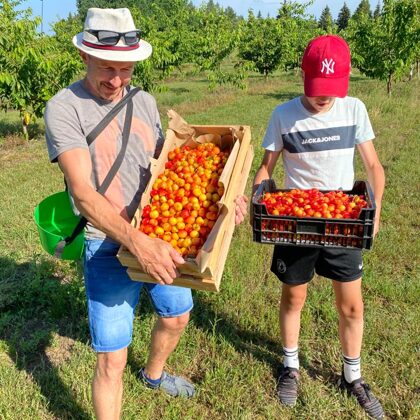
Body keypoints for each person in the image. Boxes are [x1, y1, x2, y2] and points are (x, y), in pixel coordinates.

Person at [44, 7, 247, 420]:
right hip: (107, 242)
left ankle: (153, 374)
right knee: (111, 360)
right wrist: (136, 241)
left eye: (125, 70)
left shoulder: (145, 102)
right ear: (83, 56)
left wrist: (224, 200)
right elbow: (82, 193)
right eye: (106, 68)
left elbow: (167, 169)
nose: (116, 81)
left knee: (177, 315)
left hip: (160, 234)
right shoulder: (64, 109)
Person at [253, 35, 385, 419]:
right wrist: (261, 191)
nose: (322, 99)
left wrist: (374, 210)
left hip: (344, 219)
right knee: (294, 297)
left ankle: (352, 375)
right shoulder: (283, 115)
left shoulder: (354, 109)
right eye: (315, 90)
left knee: (351, 305)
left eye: (330, 91)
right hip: (297, 222)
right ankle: (291, 366)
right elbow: (267, 167)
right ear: (302, 76)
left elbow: (374, 167)